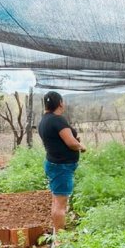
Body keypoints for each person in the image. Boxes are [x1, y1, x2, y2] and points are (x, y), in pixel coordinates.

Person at [38, 90, 85, 231]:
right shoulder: (58, 120)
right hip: (61, 167)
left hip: (54, 164)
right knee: (60, 204)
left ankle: (56, 231)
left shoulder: (44, 120)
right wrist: (81, 146)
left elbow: (58, 140)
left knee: (56, 200)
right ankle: (59, 238)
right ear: (60, 103)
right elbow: (71, 143)